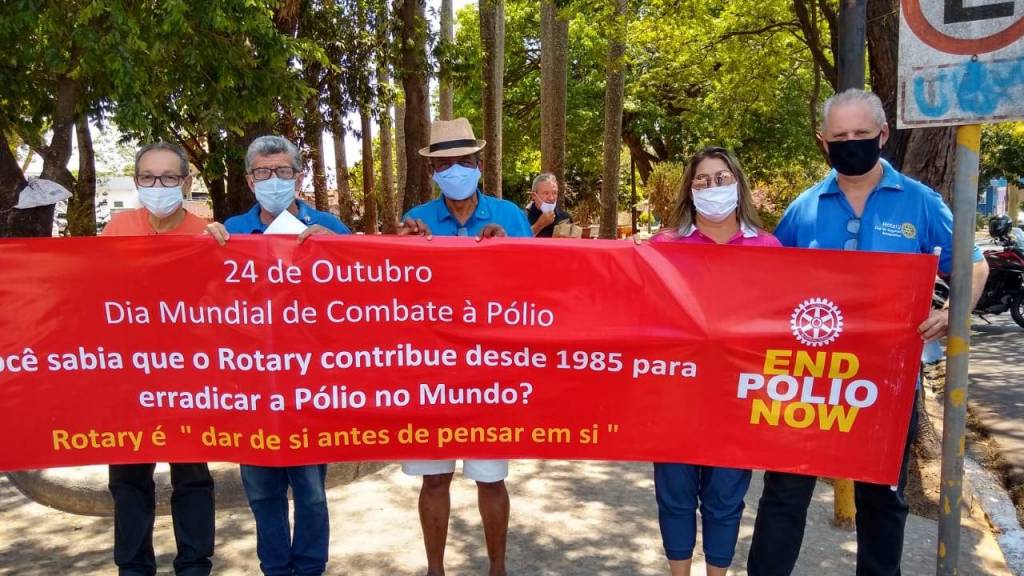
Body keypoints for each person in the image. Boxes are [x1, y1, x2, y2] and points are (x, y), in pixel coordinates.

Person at [746, 88, 989, 576]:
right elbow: (769, 283)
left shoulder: (920, 202)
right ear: (823, 141)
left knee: (881, 496)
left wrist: (954, 312)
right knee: (785, 491)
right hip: (809, 380)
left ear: (882, 134)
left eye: (860, 133)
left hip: (886, 382)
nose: (850, 143)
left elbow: (973, 264)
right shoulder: (803, 209)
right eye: (839, 136)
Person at [206, 135, 349, 576]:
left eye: (283, 171)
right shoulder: (230, 230)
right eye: (264, 172)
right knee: (262, 491)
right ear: (250, 181)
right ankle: (274, 567)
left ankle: (309, 567)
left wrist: (338, 248)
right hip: (251, 387)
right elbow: (203, 300)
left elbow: (364, 291)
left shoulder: (327, 225)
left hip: (309, 384)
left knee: (311, 492)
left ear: (298, 177)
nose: (274, 179)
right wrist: (201, 248)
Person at [396, 117, 531, 576]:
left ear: (480, 165)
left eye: (465, 161)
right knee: (434, 479)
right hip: (431, 372)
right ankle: (435, 570)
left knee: (491, 480)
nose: (456, 170)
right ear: (432, 172)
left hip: (489, 372)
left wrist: (507, 252)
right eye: (445, 164)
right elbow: (394, 295)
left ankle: (498, 569)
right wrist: (403, 247)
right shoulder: (415, 220)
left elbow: (537, 290)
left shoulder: (509, 216)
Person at [650, 147, 779, 576]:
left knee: (725, 498)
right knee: (675, 496)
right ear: (690, 190)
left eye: (721, 178)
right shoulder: (664, 247)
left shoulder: (769, 248)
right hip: (675, 394)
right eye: (702, 180)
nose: (712, 186)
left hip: (739, 396)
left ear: (737, 183)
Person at [103, 141, 215, 576]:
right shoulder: (117, 228)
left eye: (169, 177)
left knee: (192, 477)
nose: (158, 185)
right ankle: (133, 568)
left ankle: (194, 566)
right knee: (128, 480)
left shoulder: (207, 234)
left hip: (186, 378)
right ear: (136, 181)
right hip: (128, 378)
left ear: (186, 182)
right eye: (148, 177)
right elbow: (94, 291)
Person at [526, 172, 571, 237]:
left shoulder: (565, 218)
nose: (551, 198)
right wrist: (539, 225)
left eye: (554, 193)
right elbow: (517, 241)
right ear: (534, 195)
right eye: (546, 193)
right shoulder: (522, 217)